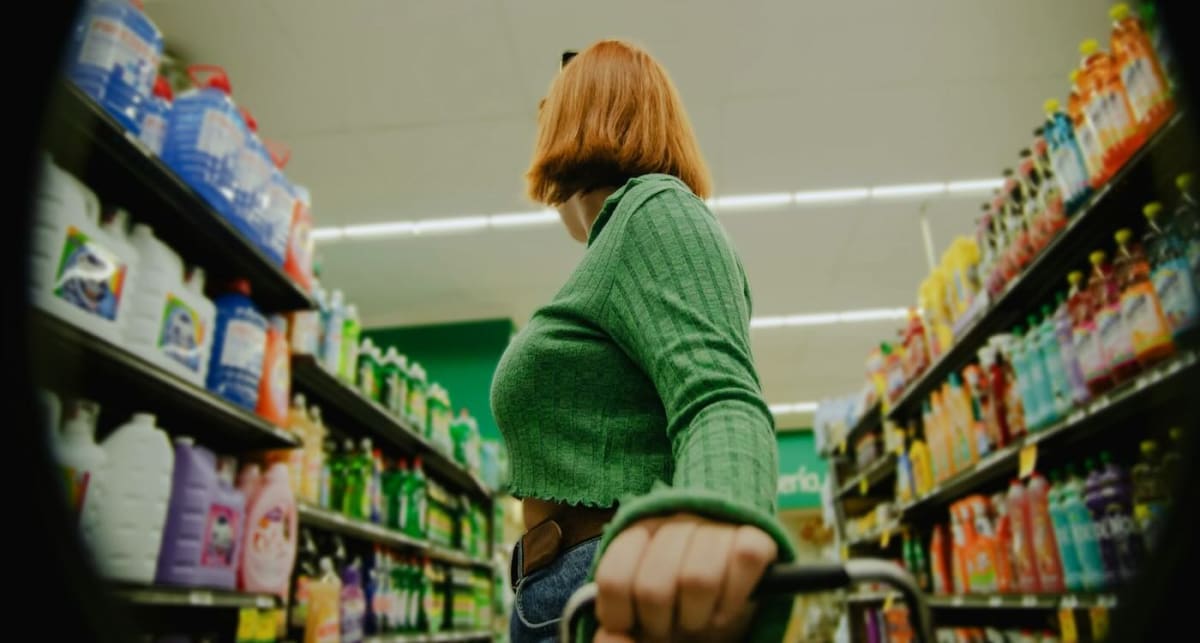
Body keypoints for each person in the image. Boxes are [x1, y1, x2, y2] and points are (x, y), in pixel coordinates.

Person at [491, 39, 795, 643]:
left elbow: (719, 395)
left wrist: (711, 523)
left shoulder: (654, 209)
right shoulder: (613, 246)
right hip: (562, 591)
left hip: (608, 586)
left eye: (550, 118)